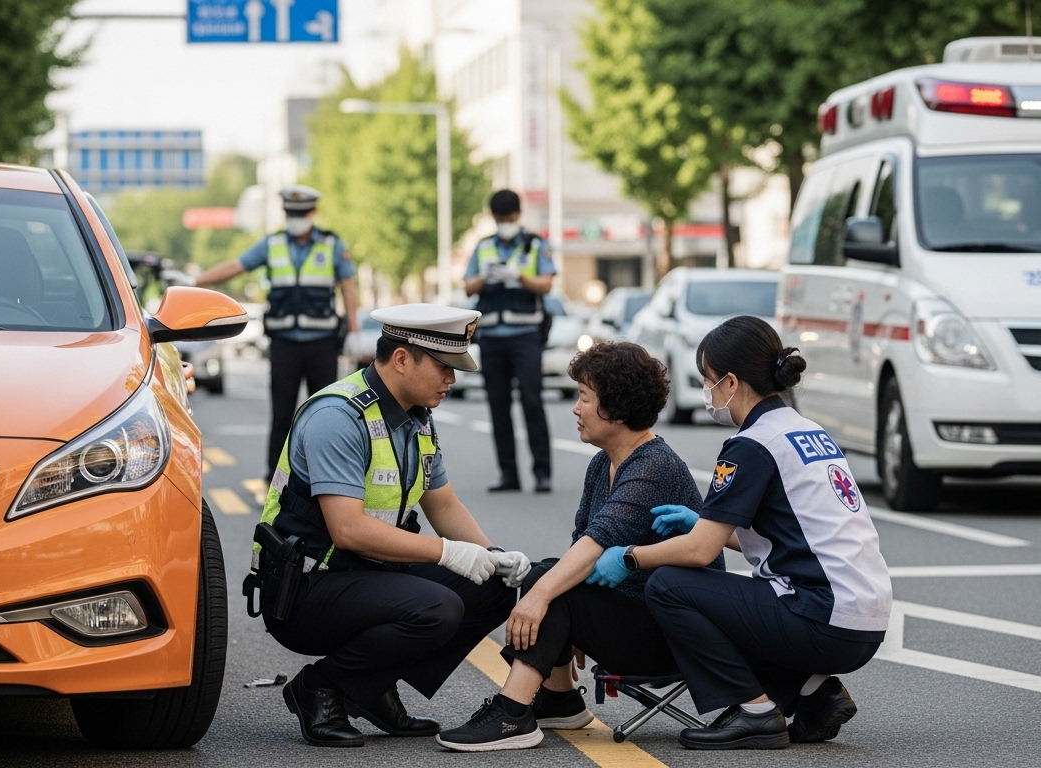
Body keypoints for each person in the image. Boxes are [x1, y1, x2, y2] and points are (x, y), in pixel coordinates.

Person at [253, 303, 532, 748]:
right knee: (437, 607)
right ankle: (319, 688)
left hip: (370, 572)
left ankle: (369, 686)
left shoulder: (416, 416)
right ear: (401, 359)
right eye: (443, 366)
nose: (452, 379)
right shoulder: (338, 416)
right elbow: (348, 530)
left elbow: (443, 504)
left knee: (493, 588)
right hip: (308, 587)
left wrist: (493, 555)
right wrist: (448, 553)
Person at [610, 315, 892, 750]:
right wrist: (703, 523)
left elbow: (699, 553)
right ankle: (814, 691)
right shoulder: (808, 431)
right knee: (739, 596)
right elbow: (789, 537)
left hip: (823, 619)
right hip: (865, 621)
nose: (707, 391)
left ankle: (756, 712)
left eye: (707, 380)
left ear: (730, 383)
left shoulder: (751, 445)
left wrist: (628, 556)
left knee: (668, 586)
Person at [436, 341, 718, 752]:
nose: (575, 408)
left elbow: (596, 542)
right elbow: (578, 548)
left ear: (616, 409)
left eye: (584, 397)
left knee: (551, 587)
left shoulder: (653, 467)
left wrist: (538, 600)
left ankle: (511, 715)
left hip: (674, 637)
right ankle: (560, 700)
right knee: (545, 572)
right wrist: (565, 619)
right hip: (638, 620)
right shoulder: (603, 463)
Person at [190, 185, 361, 475]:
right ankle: (276, 478)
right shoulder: (272, 244)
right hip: (284, 346)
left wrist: (354, 332)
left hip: (322, 346)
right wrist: (197, 281)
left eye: (301, 214)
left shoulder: (331, 245)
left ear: (312, 213)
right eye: (291, 214)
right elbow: (236, 266)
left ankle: (324, 476)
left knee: (326, 415)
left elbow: (348, 287)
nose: (296, 219)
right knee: (282, 416)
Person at [463, 189, 556, 493]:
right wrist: (486, 278)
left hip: (525, 336)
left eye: (509, 217)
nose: (505, 221)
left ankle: (542, 473)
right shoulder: (484, 247)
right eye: (500, 218)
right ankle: (508, 474)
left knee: (532, 401)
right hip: (491, 338)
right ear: (494, 217)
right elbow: (468, 286)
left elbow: (546, 284)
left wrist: (518, 276)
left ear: (519, 214)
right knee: (498, 406)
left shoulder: (536, 244)